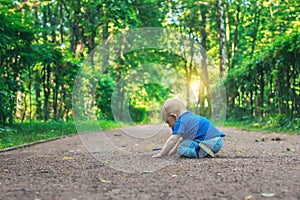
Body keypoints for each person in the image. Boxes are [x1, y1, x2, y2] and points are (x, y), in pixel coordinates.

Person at [152, 98, 225, 158]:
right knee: (185, 143)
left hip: (210, 142)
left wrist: (162, 154)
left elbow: (173, 140)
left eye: (168, 122)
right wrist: (172, 152)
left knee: (181, 149)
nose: (169, 126)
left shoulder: (181, 121)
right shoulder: (189, 118)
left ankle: (199, 153)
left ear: (174, 116)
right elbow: (182, 139)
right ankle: (205, 151)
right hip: (217, 141)